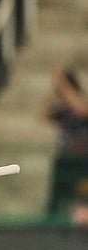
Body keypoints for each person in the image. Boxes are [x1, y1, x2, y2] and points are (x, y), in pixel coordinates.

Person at [45, 66, 88, 221]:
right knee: (59, 195)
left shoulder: (79, 102)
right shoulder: (61, 108)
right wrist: (55, 92)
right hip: (65, 156)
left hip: (82, 159)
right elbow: (44, 115)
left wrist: (66, 89)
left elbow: (82, 111)